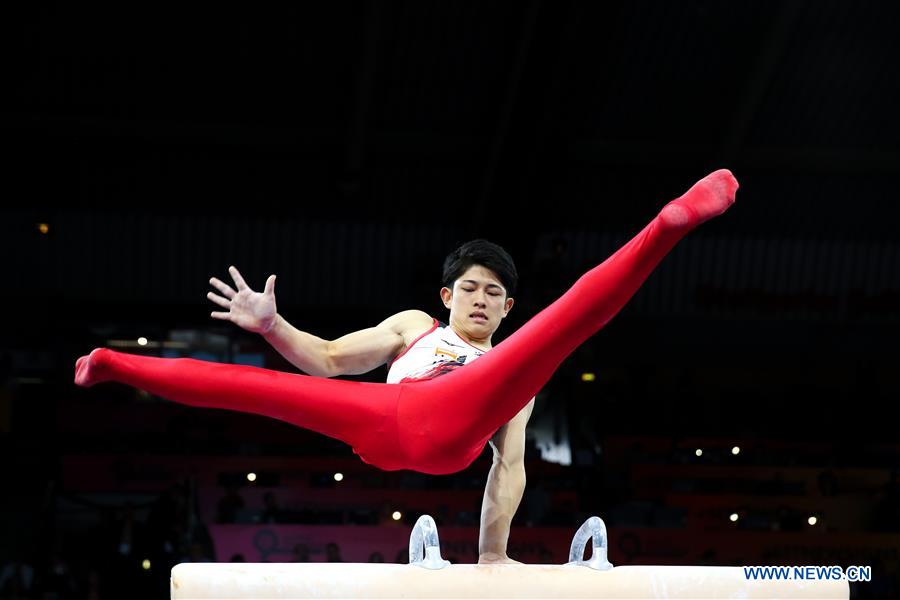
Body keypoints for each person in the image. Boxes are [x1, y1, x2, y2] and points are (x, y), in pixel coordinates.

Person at [75, 169, 739, 564]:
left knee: (559, 331)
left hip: (456, 424)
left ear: (507, 307)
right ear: (447, 297)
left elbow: (509, 468)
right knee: (255, 387)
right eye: (471, 288)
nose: (481, 300)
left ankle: (667, 226)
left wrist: (489, 561)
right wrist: (273, 325)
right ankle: (115, 366)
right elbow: (329, 361)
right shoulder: (410, 328)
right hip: (386, 416)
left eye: (495, 294)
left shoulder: (507, 367)